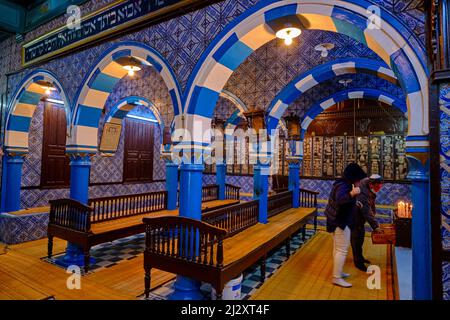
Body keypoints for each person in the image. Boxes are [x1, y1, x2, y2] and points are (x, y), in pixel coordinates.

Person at [324, 163, 367, 288]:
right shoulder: (344, 185)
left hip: (335, 219)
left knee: (337, 248)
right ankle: (336, 277)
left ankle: (338, 272)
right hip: (339, 221)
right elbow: (340, 199)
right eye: (359, 179)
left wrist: (355, 202)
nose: (360, 182)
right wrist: (353, 194)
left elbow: (344, 202)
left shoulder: (343, 182)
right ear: (354, 177)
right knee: (342, 249)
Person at [351, 174, 384, 271]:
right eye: (377, 186)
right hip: (354, 217)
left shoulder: (367, 183)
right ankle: (358, 263)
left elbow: (371, 203)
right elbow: (366, 211)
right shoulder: (362, 193)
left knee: (360, 239)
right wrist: (375, 226)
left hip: (359, 218)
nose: (379, 188)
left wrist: (373, 213)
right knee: (356, 240)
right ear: (371, 184)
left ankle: (360, 258)